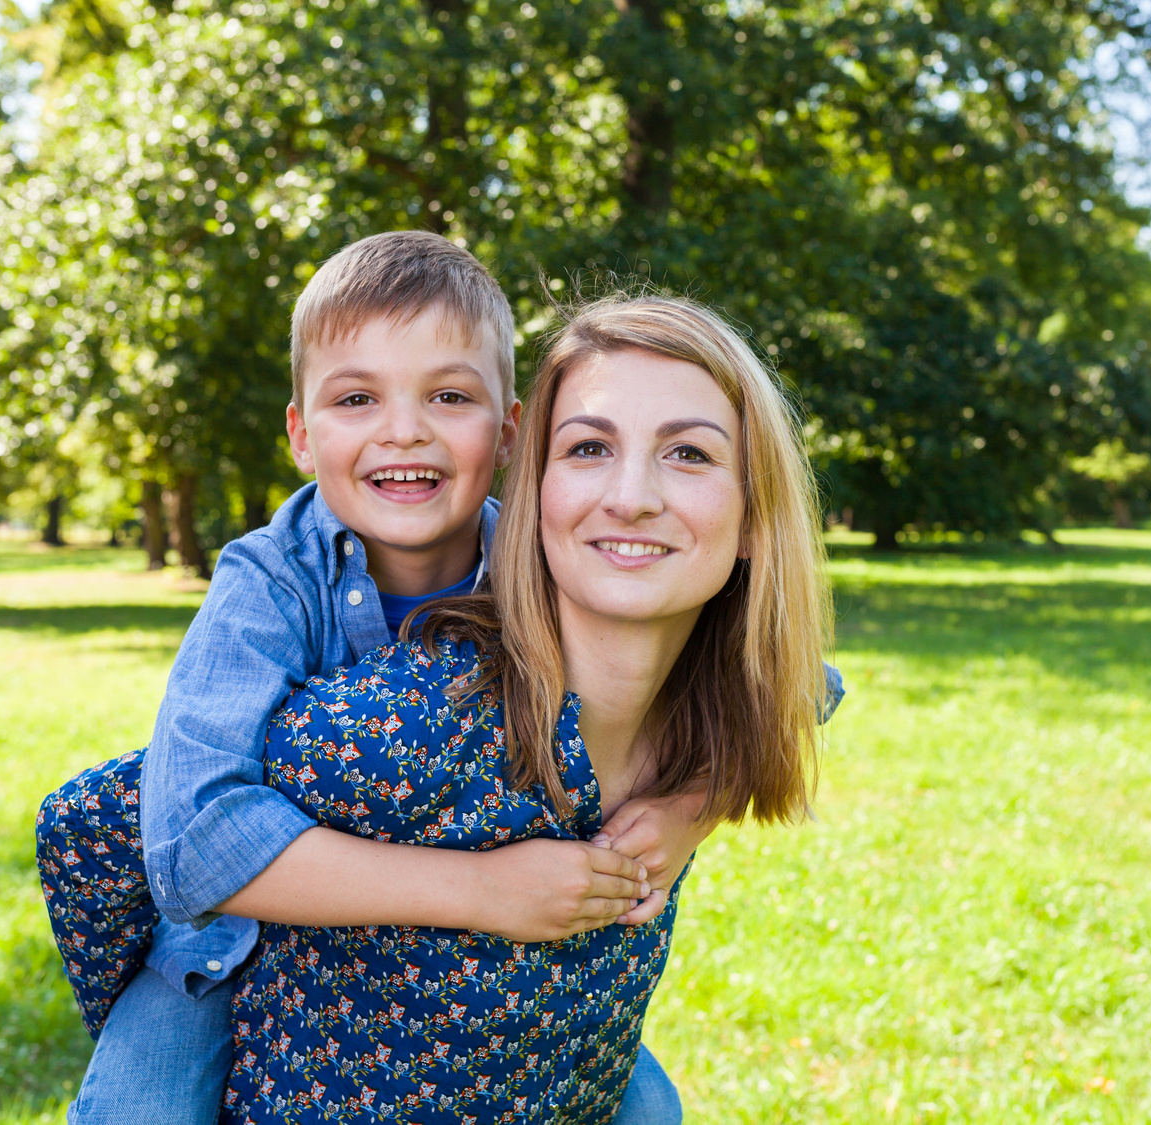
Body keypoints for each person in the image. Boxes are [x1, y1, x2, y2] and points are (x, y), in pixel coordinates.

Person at [37, 236, 713, 1124]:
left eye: (449, 395)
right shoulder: (266, 583)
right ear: (302, 435)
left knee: (643, 1104)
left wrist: (687, 806)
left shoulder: (550, 557)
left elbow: (787, 684)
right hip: (241, 947)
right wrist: (481, 892)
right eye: (357, 397)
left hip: (477, 982)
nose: (405, 429)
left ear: (509, 431)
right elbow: (193, 839)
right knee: (142, 1102)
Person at [213, 292, 834, 1120]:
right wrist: (473, 889)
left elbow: (805, 690)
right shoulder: (398, 720)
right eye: (588, 447)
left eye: (688, 453)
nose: (633, 496)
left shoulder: (712, 703)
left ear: (757, 515)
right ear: (536, 495)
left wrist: (696, 800)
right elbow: (125, 820)